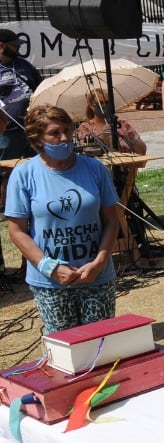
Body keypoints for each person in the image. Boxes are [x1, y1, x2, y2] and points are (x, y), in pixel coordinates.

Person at [5, 105, 121, 333]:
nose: (65, 138)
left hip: (96, 277)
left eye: (68, 130)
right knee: (64, 351)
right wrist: (49, 267)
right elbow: (17, 231)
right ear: (38, 139)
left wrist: (99, 262)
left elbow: (112, 220)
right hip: (51, 282)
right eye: (55, 133)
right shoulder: (24, 174)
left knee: (101, 345)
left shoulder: (95, 169)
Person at [0, 28, 39, 160]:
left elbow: (40, 86)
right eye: (15, 45)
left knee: (40, 166)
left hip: (33, 127)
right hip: (8, 132)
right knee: (7, 169)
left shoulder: (24, 64)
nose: (19, 47)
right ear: (2, 45)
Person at [76, 88, 147, 154]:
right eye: (100, 103)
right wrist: (104, 137)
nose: (104, 106)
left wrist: (134, 140)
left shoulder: (122, 124)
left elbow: (142, 152)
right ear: (91, 105)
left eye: (107, 102)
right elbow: (87, 152)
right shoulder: (85, 128)